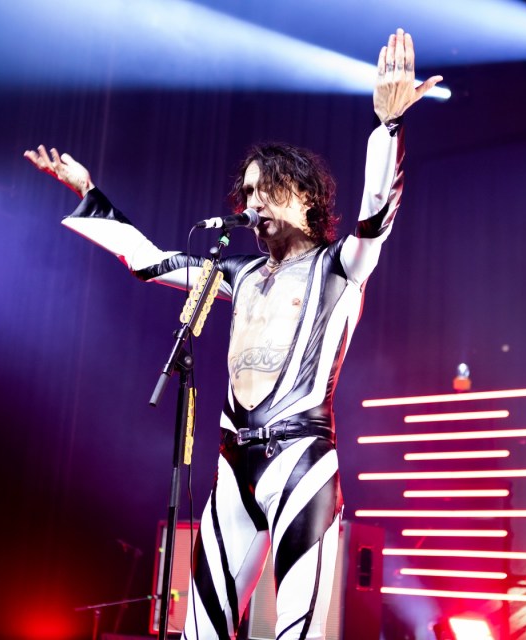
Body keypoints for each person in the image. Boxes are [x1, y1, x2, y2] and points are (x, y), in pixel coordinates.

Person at [25, 28, 440, 640]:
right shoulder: (235, 274)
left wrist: (387, 127)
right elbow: (149, 261)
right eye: (246, 192)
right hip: (231, 465)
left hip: (301, 461)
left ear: (304, 199)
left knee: (296, 628)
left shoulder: (339, 267)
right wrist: (91, 195)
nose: (253, 202)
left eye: (266, 190)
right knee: (201, 627)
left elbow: (376, 217)